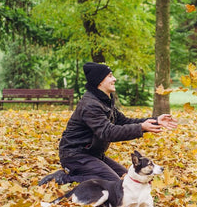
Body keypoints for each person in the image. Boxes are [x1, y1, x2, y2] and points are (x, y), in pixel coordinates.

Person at [39, 62, 178, 185]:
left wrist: (155, 121)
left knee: (127, 177)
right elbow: (108, 132)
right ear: (100, 82)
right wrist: (141, 127)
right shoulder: (90, 105)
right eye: (110, 76)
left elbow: (124, 121)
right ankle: (63, 178)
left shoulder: (104, 101)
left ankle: (82, 174)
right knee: (114, 182)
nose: (114, 79)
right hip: (75, 155)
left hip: (93, 154)